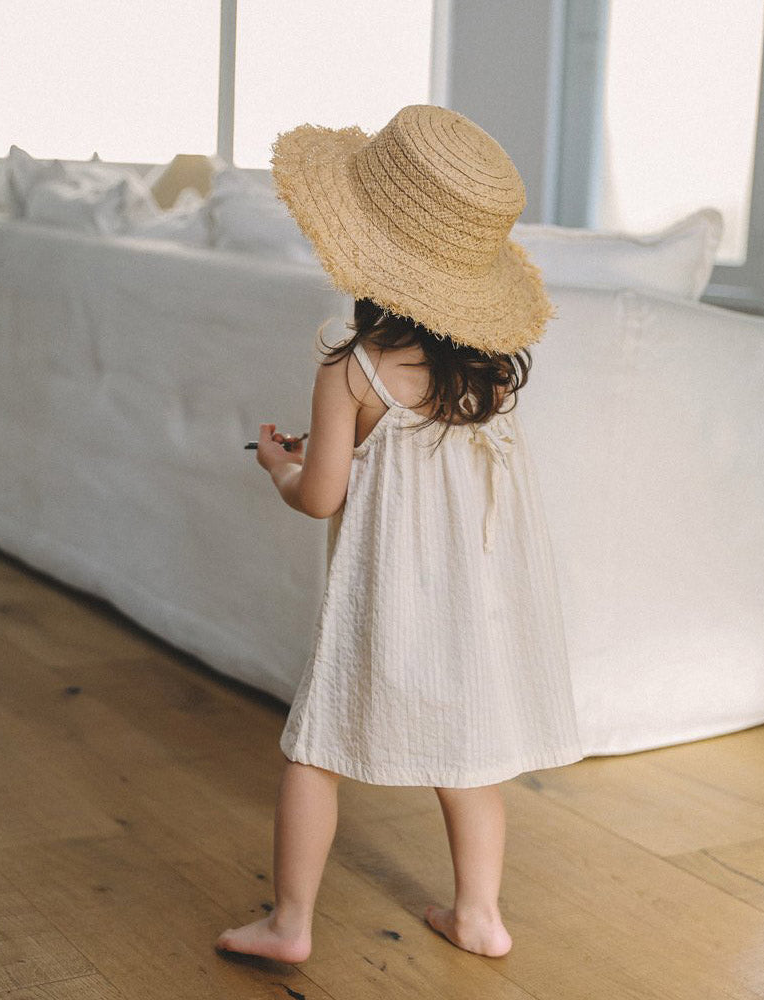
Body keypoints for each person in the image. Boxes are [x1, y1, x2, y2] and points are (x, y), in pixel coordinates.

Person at [215, 104, 584, 964]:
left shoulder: (353, 369)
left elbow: (321, 497)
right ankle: (480, 917)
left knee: (316, 751)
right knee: (469, 759)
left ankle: (290, 924)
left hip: (384, 601)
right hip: (474, 605)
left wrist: (277, 466)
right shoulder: (491, 375)